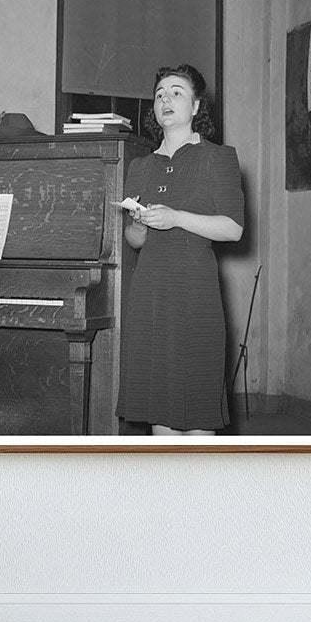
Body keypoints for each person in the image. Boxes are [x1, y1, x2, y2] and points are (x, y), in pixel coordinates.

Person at [116, 64, 245, 435]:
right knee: (160, 414)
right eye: (159, 94)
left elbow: (233, 229)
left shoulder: (217, 158)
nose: (165, 100)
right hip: (151, 294)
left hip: (195, 292)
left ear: (195, 105)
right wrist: (139, 224)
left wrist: (176, 217)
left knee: (198, 411)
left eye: (176, 92)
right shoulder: (140, 166)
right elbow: (135, 241)